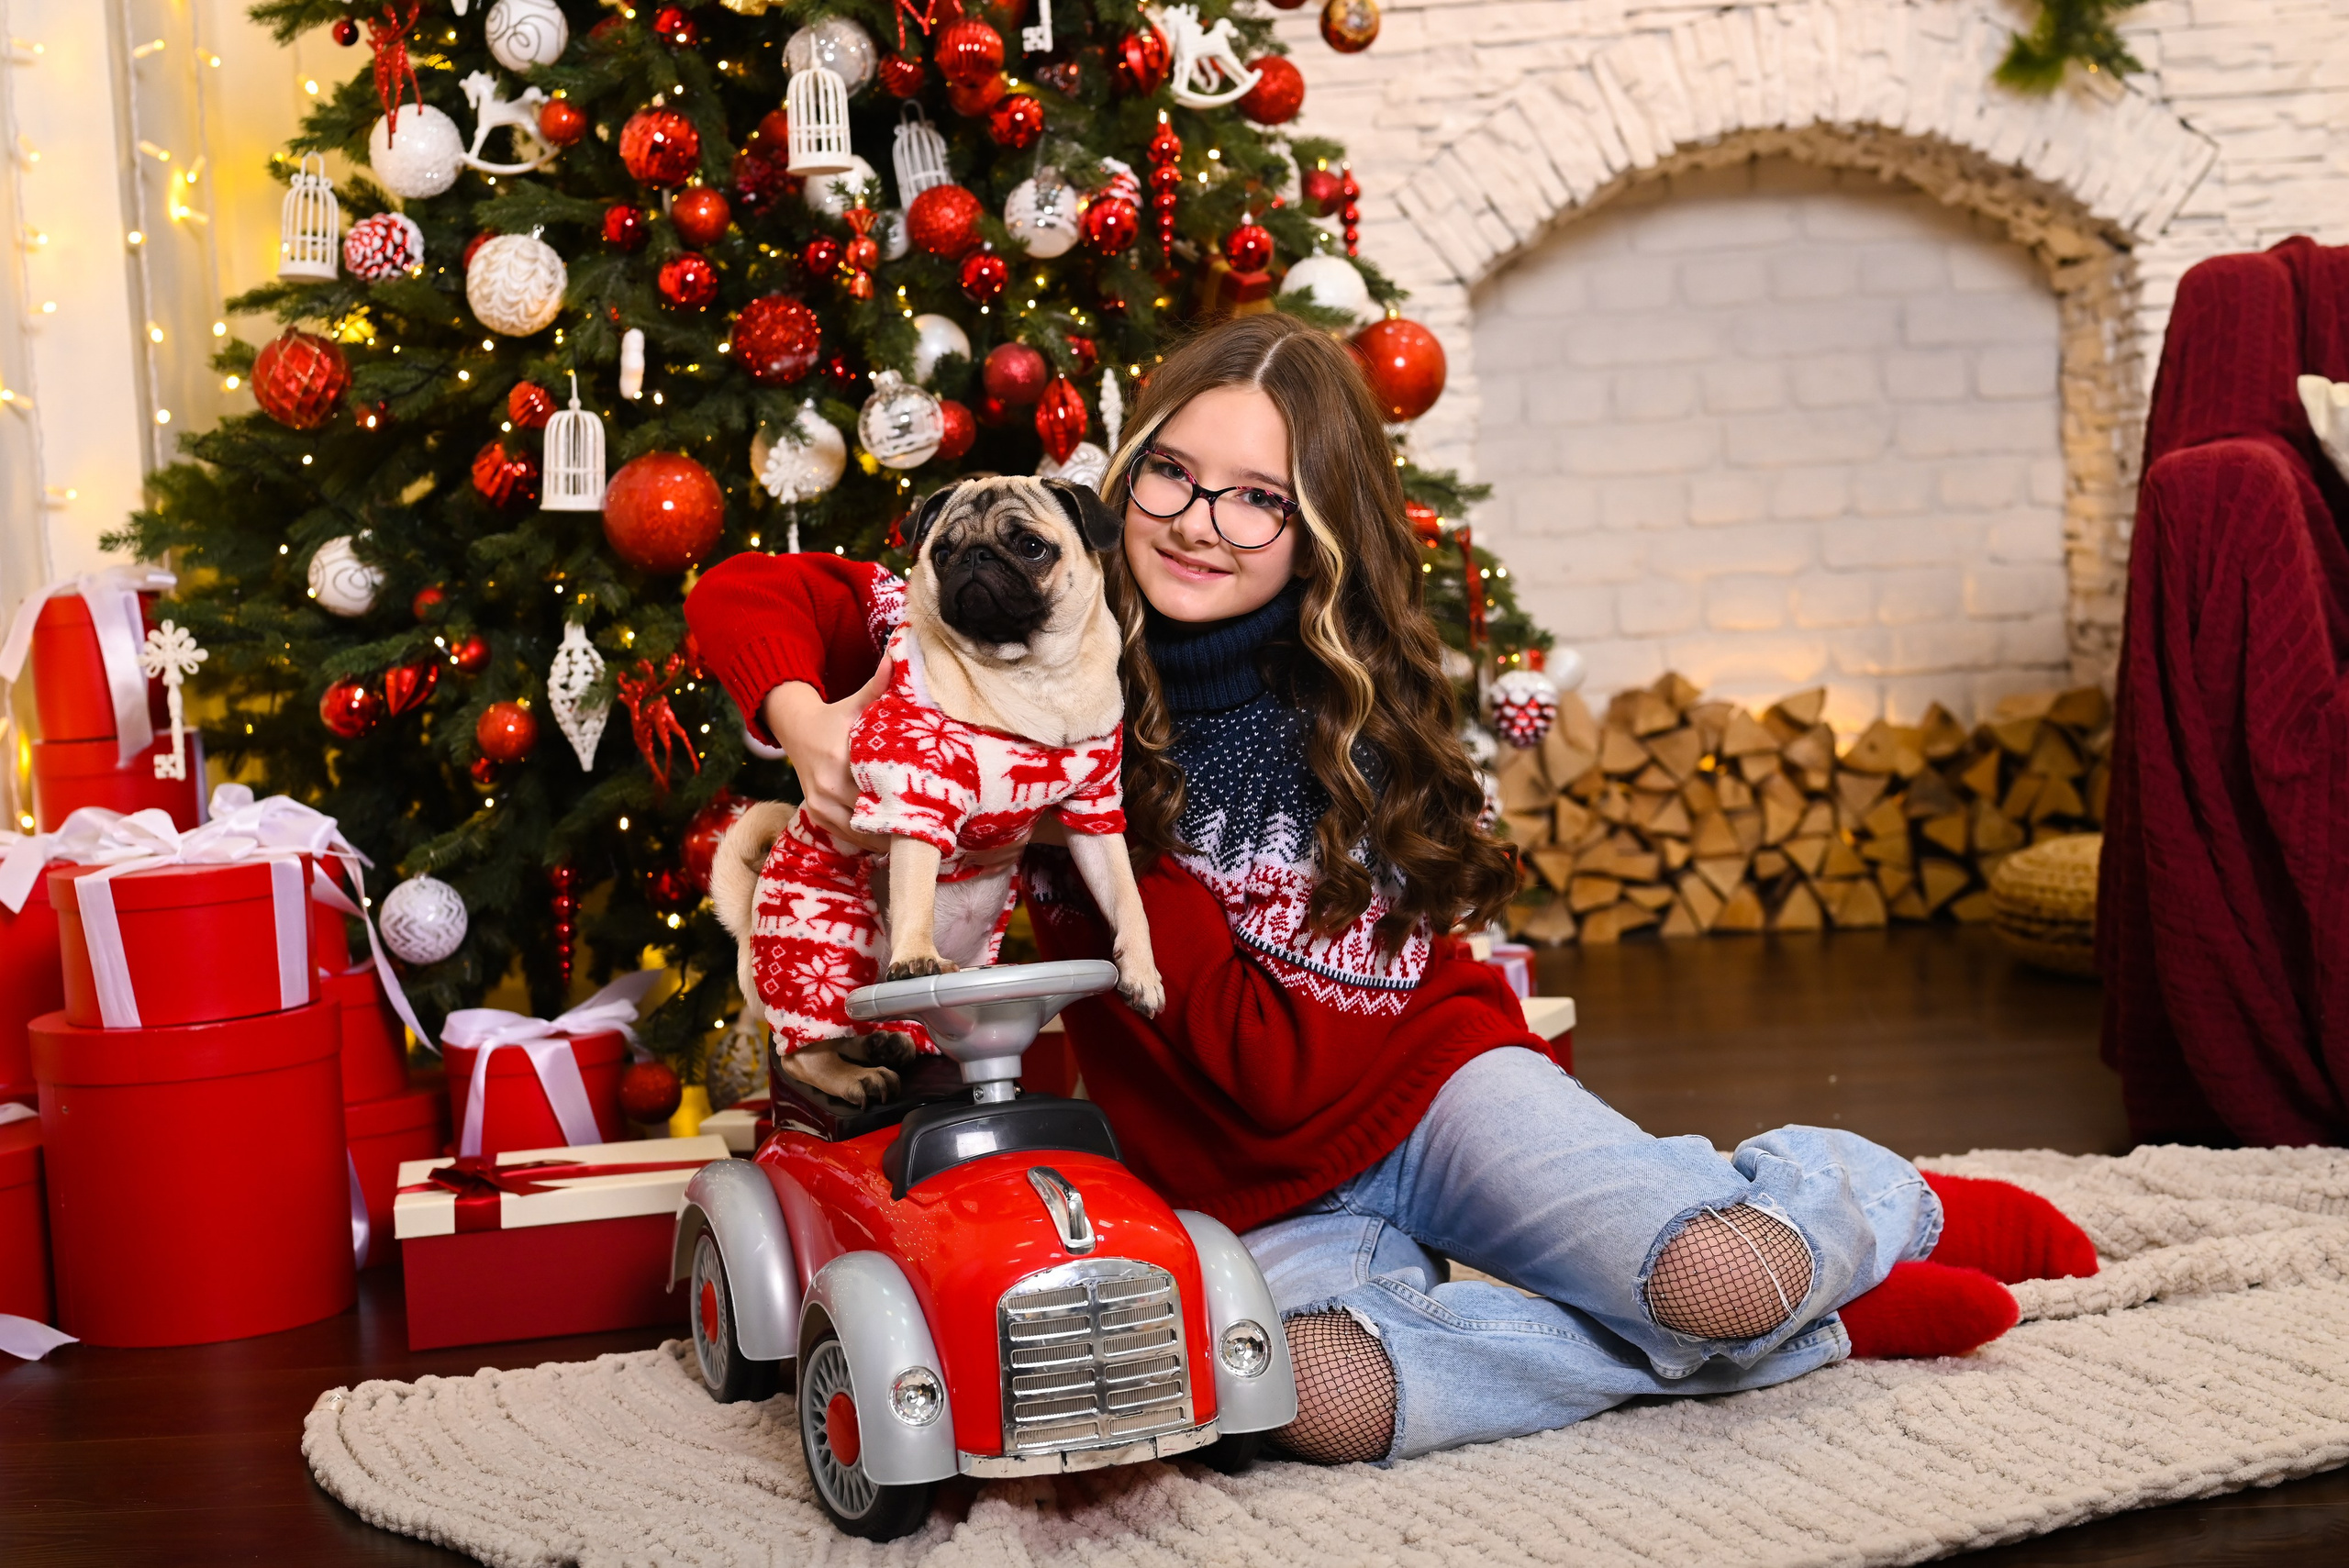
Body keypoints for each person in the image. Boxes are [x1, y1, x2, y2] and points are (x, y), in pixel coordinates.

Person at [685, 314, 2095, 1465]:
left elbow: (1279, 1066)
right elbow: (742, 590)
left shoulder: (1348, 726)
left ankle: (1869, 1204)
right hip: (1241, 1190)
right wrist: (809, 721)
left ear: (1315, 531)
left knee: (1713, 1275)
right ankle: (1809, 1333)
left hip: (1428, 1089)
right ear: (1120, 482)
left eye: (1260, 499)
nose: (1201, 523)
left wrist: (1099, 806)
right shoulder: (1012, 606)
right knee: (1296, 1397)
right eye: (1172, 474)